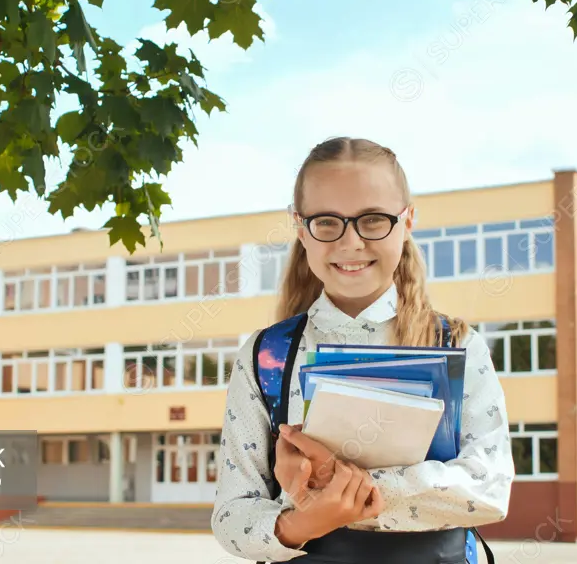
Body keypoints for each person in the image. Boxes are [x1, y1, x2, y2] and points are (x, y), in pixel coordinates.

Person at [211, 136, 514, 564]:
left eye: (372, 220)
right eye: (327, 222)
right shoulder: (267, 356)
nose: (351, 242)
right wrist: (303, 524)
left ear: (407, 220)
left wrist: (342, 487)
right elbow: (231, 513)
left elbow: (490, 486)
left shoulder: (458, 344)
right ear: (300, 227)